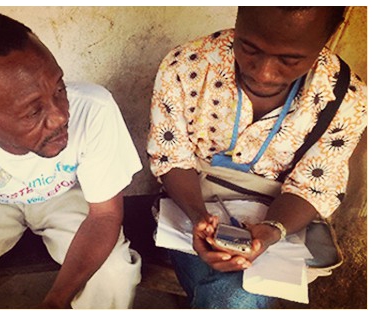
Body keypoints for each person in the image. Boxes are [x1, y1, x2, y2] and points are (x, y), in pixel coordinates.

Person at [0, 10, 143, 309]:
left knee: (115, 274)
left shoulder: (94, 107)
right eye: (33, 111)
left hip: (63, 196)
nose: (60, 116)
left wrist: (55, 301)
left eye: (59, 88)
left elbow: (105, 215)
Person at [147, 6, 366, 309]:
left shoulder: (348, 99)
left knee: (237, 296)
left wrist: (270, 232)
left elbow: (312, 188)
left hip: (283, 218)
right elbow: (171, 157)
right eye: (248, 47)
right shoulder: (184, 66)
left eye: (290, 60)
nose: (262, 72)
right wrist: (198, 218)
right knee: (235, 298)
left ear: (329, 37)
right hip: (191, 202)